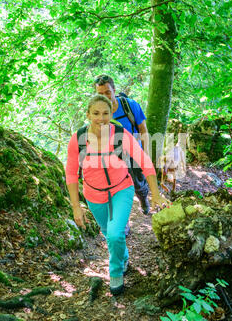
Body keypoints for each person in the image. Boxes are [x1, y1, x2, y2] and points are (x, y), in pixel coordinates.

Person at [66, 94, 169, 296]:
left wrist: (155, 194)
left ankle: (115, 273)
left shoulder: (121, 134)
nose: (100, 118)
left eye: (105, 113)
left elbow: (145, 162)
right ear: (88, 114)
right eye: (95, 113)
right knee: (109, 233)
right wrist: (76, 207)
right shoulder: (78, 139)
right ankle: (123, 257)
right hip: (93, 195)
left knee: (114, 233)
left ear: (111, 113)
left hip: (122, 188)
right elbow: (70, 173)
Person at [94, 75, 151, 224]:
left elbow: (143, 130)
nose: (104, 97)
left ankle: (143, 199)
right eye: (100, 94)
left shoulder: (130, 106)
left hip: (134, 154)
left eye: (107, 92)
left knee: (139, 184)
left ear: (114, 90)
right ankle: (122, 223)